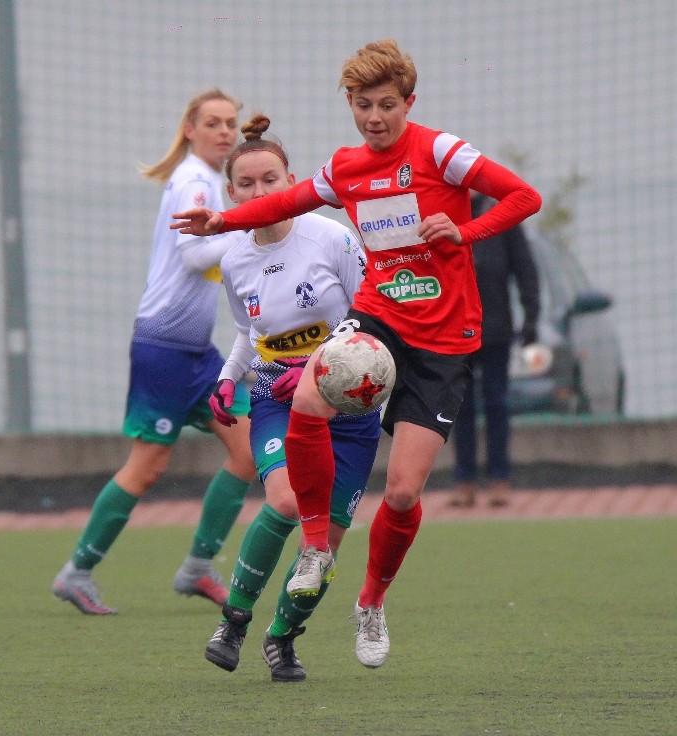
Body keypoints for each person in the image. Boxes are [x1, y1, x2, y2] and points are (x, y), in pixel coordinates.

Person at [171, 39, 541, 667]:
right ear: (350, 104)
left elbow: (524, 197)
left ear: (408, 103)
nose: (375, 117)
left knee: (401, 493)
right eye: (363, 105)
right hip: (378, 315)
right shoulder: (345, 168)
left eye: (387, 105)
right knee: (308, 395)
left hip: (444, 341)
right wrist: (222, 223)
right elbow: (286, 202)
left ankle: (370, 603)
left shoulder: (441, 152)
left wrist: (464, 231)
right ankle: (315, 546)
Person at [52, 88, 257, 615]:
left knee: (248, 451)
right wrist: (249, 228)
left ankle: (198, 567)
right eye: (213, 123)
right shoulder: (194, 180)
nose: (225, 132)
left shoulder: (210, 181)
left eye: (230, 123)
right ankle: (77, 572)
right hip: (163, 346)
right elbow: (194, 257)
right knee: (147, 466)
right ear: (190, 129)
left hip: (196, 353)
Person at [201, 113, 380, 681]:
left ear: (292, 182)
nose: (260, 191)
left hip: (349, 407)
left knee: (324, 543)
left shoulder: (332, 238)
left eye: (270, 180)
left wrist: (314, 367)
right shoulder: (234, 259)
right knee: (284, 502)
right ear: (232, 195)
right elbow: (248, 333)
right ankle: (233, 620)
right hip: (276, 400)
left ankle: (282, 638)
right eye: (247, 184)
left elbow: (372, 316)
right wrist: (229, 376)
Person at [449, 193, 540, 508]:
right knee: (459, 407)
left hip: (496, 329)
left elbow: (525, 269)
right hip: (456, 330)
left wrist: (531, 316)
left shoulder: (502, 216)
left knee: (497, 403)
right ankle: (464, 480)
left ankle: (500, 478)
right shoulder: (444, 212)